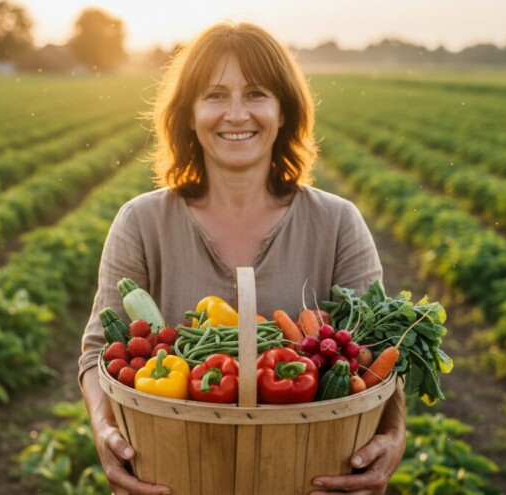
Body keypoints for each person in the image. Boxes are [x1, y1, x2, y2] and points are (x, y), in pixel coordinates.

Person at [78, 21, 405, 495]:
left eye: (255, 94)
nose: (235, 114)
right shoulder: (141, 223)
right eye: (214, 95)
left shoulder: (337, 223)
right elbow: (95, 356)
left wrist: (393, 435)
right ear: (189, 115)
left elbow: (381, 357)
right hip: (179, 476)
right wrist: (105, 430)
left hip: (305, 479)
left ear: (283, 111)